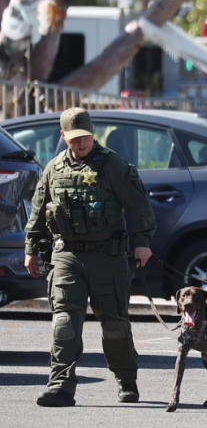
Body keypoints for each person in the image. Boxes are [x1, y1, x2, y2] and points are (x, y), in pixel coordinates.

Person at [24, 107, 157, 407]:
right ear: (63, 137)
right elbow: (38, 211)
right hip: (67, 256)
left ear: (92, 131)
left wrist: (143, 242)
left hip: (106, 257)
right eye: (74, 139)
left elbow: (138, 206)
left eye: (85, 137)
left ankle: (127, 382)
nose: (81, 143)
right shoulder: (54, 168)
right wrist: (31, 248)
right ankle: (60, 386)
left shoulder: (113, 165)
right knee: (65, 324)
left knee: (114, 325)